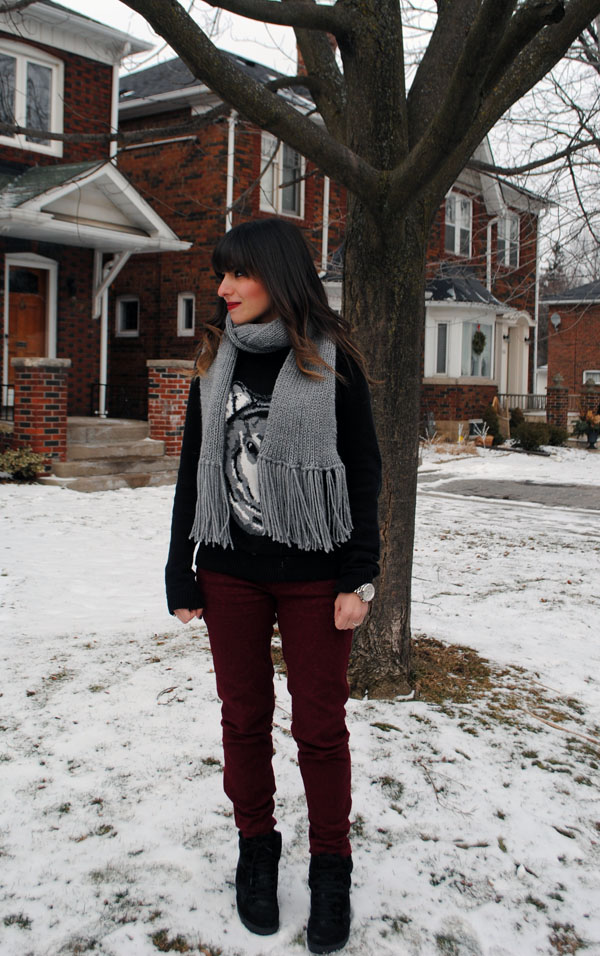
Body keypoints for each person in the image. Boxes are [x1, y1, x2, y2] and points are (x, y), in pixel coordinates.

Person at [165, 217, 381, 955]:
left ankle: (331, 868)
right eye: (220, 275)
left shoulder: (330, 359)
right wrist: (180, 564)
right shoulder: (215, 359)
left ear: (278, 276)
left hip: (316, 572)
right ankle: (256, 847)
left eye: (238, 273)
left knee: (319, 726)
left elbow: (364, 467)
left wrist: (359, 574)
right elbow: (194, 465)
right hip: (230, 568)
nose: (223, 288)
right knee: (243, 718)